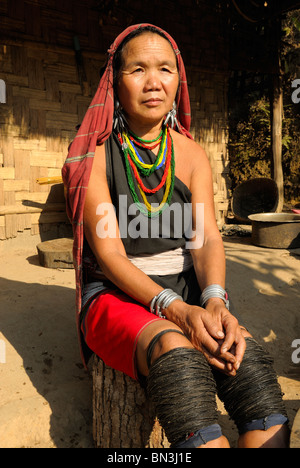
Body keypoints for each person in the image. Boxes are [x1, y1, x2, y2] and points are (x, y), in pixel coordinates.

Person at [62, 23, 289, 448]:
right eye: (138, 70)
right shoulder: (94, 156)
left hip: (189, 288)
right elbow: (110, 255)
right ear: (116, 81)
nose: (153, 82)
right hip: (117, 292)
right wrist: (177, 312)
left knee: (254, 374)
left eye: (165, 69)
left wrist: (215, 300)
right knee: (177, 357)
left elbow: (205, 238)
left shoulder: (191, 154)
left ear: (178, 79)